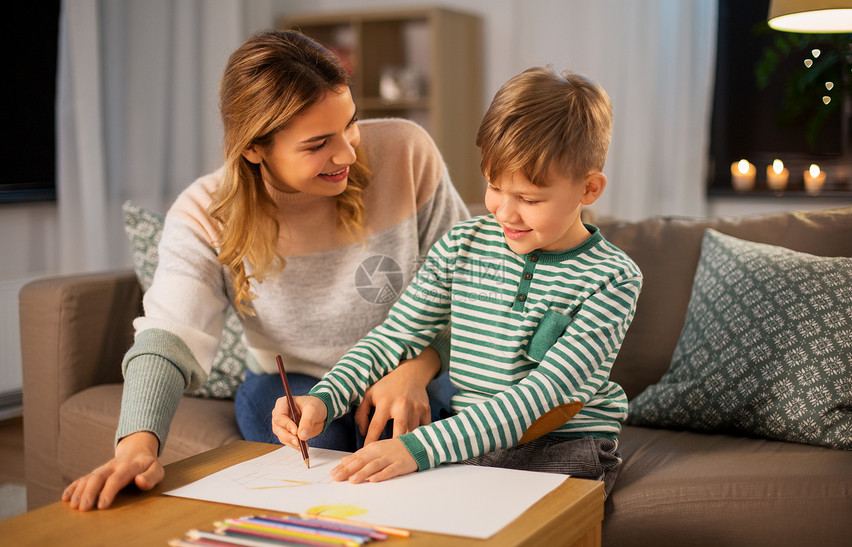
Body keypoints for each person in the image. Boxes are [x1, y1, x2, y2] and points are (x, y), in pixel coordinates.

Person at [62, 29, 469, 511]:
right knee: (295, 437)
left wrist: (416, 368)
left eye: (351, 124)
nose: (347, 153)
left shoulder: (407, 153)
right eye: (318, 144)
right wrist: (135, 447)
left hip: (415, 364)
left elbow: (466, 287)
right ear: (254, 148)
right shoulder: (202, 214)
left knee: (416, 446)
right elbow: (168, 338)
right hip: (297, 382)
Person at [273, 66, 643, 495]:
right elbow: (394, 337)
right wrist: (322, 398)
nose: (504, 212)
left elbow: (544, 396)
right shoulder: (460, 246)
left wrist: (416, 448)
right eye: (493, 186)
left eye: (528, 199)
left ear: (589, 189)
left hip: (562, 447)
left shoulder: (612, 279)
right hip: (467, 439)